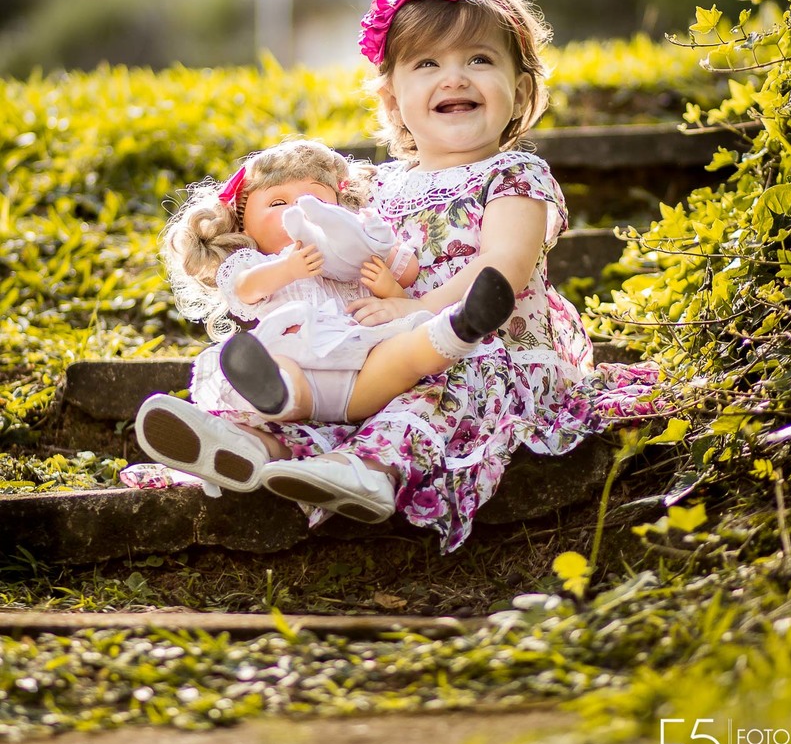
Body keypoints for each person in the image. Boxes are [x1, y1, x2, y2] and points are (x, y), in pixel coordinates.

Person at [249, 0, 659, 550]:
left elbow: (505, 267)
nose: (455, 77)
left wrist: (415, 309)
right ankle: (250, 444)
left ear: (519, 91)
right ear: (393, 97)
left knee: (434, 393)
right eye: (428, 63)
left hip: (490, 353)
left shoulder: (514, 174)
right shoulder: (381, 187)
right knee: (323, 385)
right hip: (392, 350)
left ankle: (371, 471)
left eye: (479, 59)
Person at [131, 138, 515, 517]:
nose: (299, 210)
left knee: (406, 353)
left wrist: (387, 287)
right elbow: (247, 288)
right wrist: (287, 268)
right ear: (243, 219)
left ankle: (461, 326)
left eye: (314, 199)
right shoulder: (253, 260)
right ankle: (277, 397)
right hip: (306, 372)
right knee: (283, 370)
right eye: (278, 203)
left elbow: (404, 276)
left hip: (363, 374)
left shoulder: (351, 257)